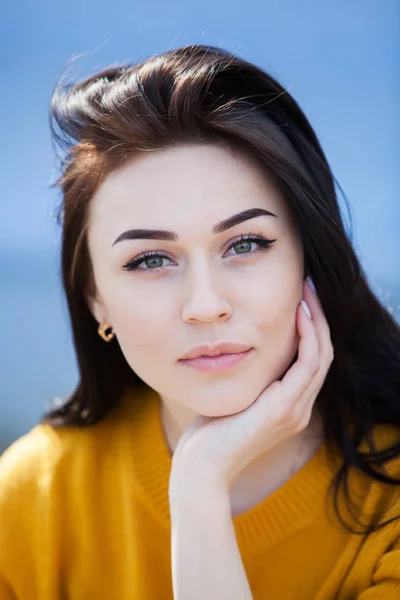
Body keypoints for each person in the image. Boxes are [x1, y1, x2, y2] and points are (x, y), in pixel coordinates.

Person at [0, 44, 399, 600]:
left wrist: (198, 486)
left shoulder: (390, 508)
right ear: (96, 300)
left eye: (245, 244)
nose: (205, 304)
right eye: (150, 260)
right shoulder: (31, 499)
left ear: (310, 260)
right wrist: (201, 478)